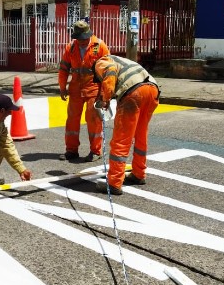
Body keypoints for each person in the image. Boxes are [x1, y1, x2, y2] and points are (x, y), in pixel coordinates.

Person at [91, 55, 160, 196]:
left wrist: (104, 100)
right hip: (152, 89)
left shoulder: (100, 62)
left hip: (133, 93)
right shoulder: (119, 60)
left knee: (121, 140)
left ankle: (114, 183)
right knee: (141, 134)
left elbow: (109, 74)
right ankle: (139, 173)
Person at [57, 20, 110, 162]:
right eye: (79, 39)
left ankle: (95, 151)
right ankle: (71, 151)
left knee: (93, 119)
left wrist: (106, 94)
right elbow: (63, 69)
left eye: (84, 38)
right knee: (72, 120)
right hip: (75, 88)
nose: (82, 41)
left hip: (93, 87)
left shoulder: (100, 46)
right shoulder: (71, 47)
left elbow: (109, 72)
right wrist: (62, 87)